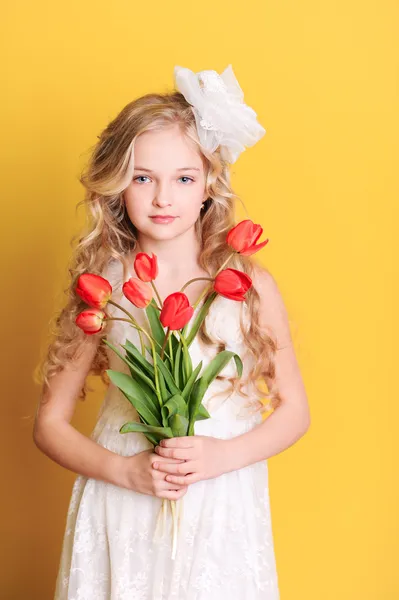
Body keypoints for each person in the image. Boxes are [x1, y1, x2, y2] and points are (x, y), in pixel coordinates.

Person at [33, 64, 310, 599]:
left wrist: (221, 458)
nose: (163, 198)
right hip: (125, 496)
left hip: (219, 499)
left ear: (208, 184)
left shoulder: (248, 284)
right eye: (143, 177)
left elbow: (295, 411)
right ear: (117, 183)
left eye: (183, 178)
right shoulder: (103, 286)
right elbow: (49, 424)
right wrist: (125, 472)